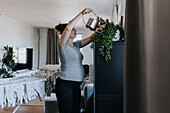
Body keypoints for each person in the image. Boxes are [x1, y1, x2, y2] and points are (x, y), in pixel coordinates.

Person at [55, 8, 106, 113]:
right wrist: (82, 13)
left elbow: (91, 38)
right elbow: (68, 28)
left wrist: (101, 28)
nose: (75, 30)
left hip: (76, 85)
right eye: (73, 29)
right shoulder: (62, 43)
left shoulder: (76, 45)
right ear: (66, 32)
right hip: (65, 84)